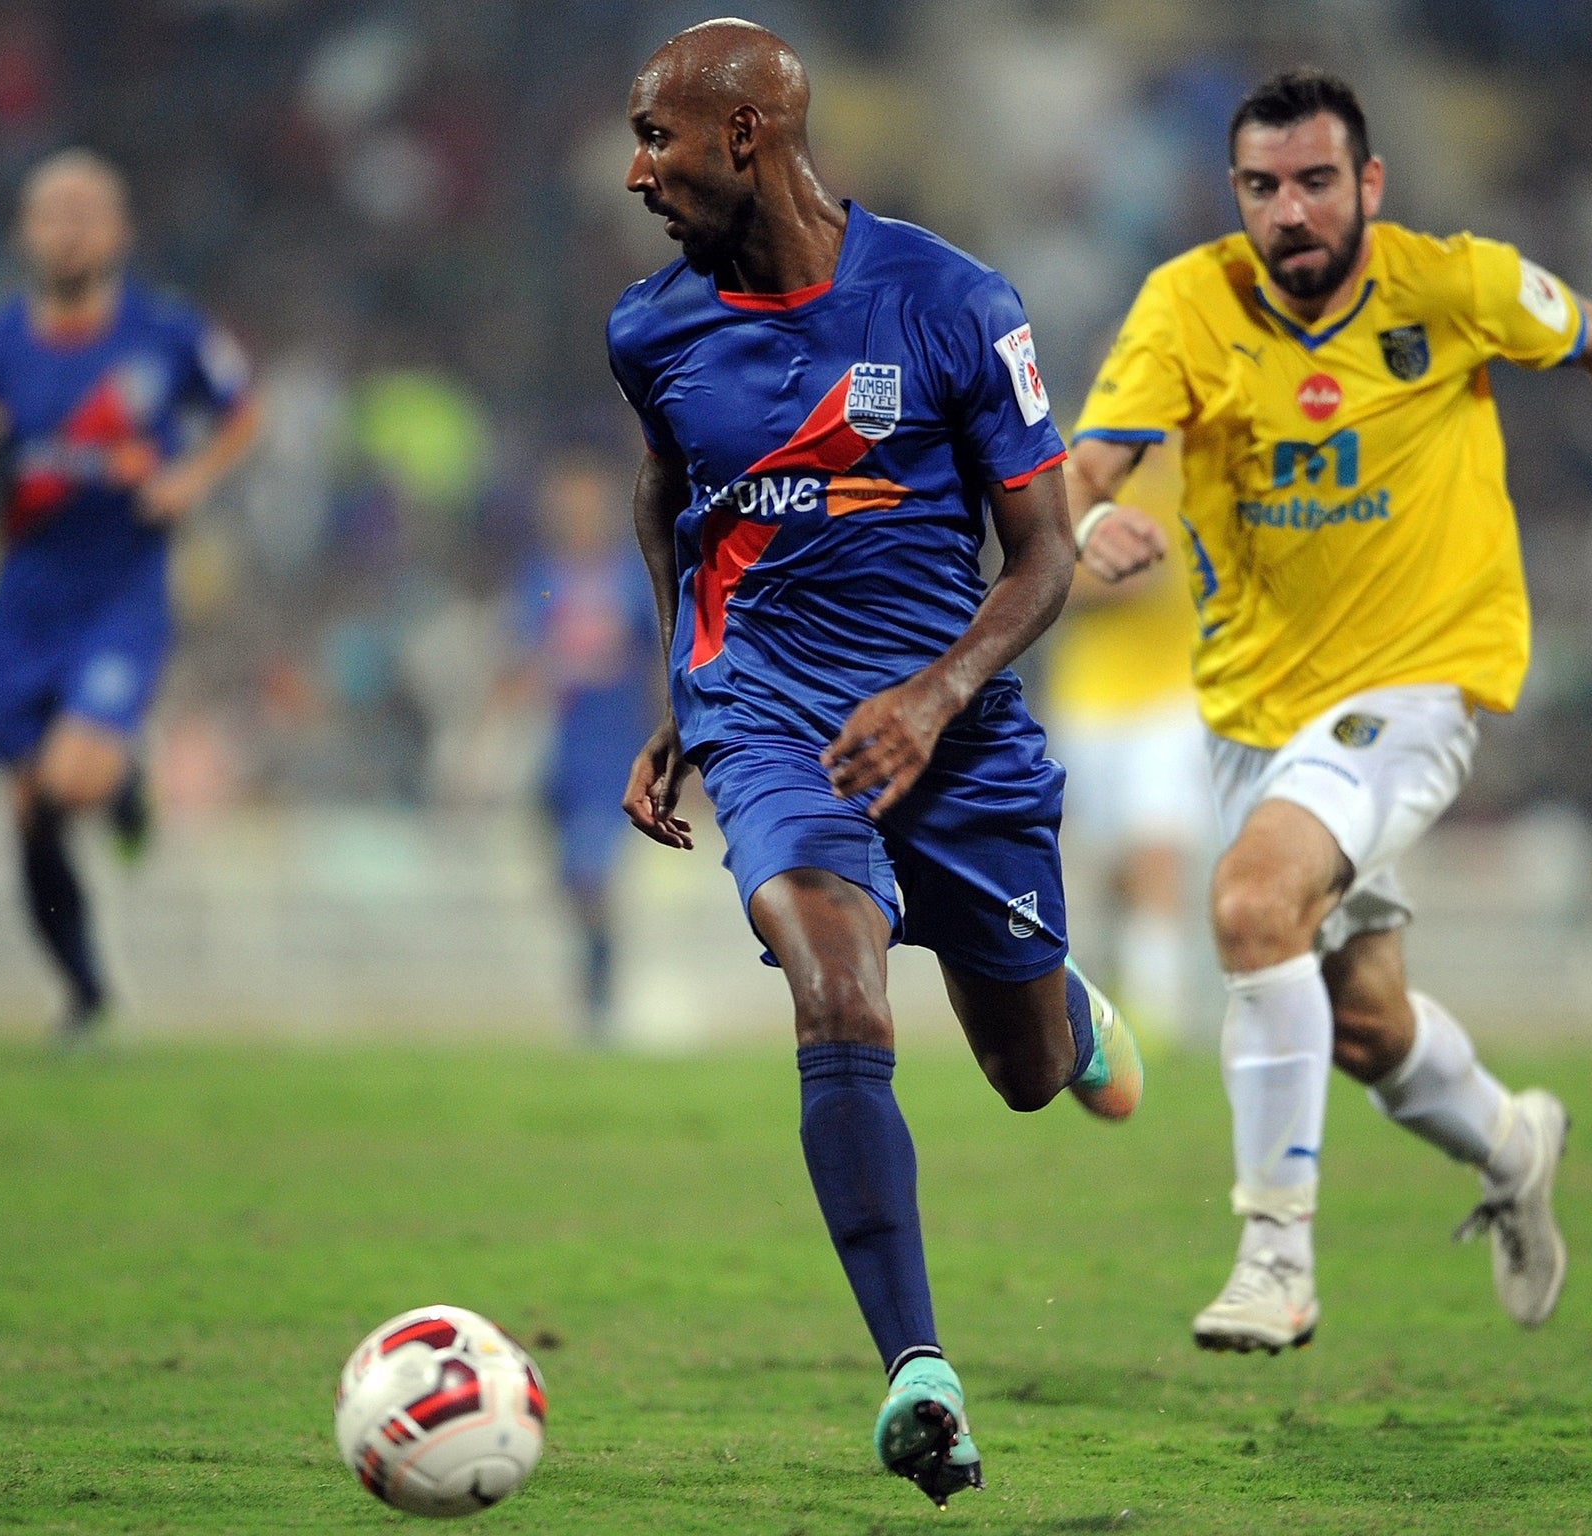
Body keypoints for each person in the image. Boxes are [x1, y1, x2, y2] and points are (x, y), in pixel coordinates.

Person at [1069, 70, 1592, 1355]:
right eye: (1262, 188)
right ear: (1235, 197)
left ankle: (1273, 1257)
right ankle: (1511, 1140)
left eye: (1316, 183)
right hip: (1256, 713)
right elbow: (1085, 466)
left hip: (1419, 684)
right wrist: (1090, 523)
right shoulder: (1186, 305)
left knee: (1251, 904)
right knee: (1365, 1025)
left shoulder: (1451, 284)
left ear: (1368, 185)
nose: (1290, 213)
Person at [608, 19, 1142, 1509]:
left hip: (952, 733)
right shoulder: (650, 329)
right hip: (766, 714)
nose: (639, 170)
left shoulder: (954, 301)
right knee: (836, 993)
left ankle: (1070, 1009)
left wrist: (938, 691)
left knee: (1027, 1074)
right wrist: (678, 685)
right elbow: (668, 496)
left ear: (751, 136)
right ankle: (920, 1372)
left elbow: (1041, 559)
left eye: (661, 137)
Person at [0, 149, 258, 1043]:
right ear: (27, 232)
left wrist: (191, 478)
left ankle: (121, 772)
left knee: (71, 776)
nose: (68, 229)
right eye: (51, 212)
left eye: (86, 211)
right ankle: (85, 994)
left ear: (120, 232)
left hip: (121, 591)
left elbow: (243, 410)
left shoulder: (163, 333)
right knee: (31, 816)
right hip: (24, 597)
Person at [1046, 438, 1209, 1043]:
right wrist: (1090, 579)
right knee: (1116, 866)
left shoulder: (1197, 467)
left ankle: (1158, 1019)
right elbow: (1039, 568)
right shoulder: (1073, 472)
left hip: (1172, 694)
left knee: (1157, 849)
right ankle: (1122, 1002)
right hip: (1087, 698)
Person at [514, 450, 657, 1041]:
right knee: (566, 874)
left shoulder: (632, 576)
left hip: (611, 741)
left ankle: (600, 999)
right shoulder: (542, 578)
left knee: (592, 870)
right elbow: (524, 655)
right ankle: (594, 980)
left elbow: (657, 658)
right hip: (556, 744)